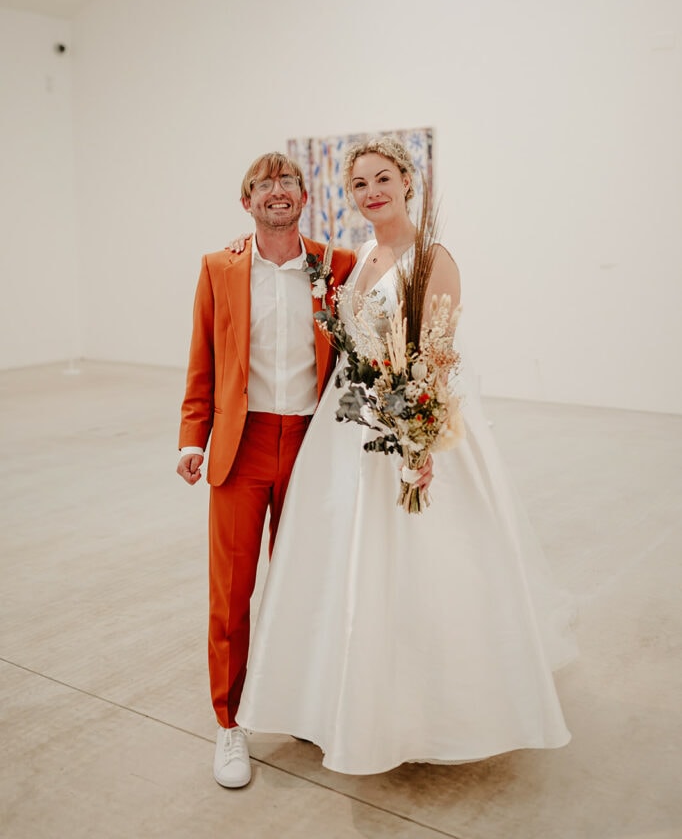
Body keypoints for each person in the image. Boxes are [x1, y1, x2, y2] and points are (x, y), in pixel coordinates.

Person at [236, 136, 577, 775]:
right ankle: (333, 697)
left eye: (382, 178)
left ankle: (430, 712)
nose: (372, 192)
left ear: (408, 180)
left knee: (423, 563)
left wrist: (418, 442)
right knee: (339, 558)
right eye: (359, 183)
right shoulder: (361, 253)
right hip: (350, 426)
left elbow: (438, 357)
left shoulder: (434, 257)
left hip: (411, 424)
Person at [176, 152, 356, 788]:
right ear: (246, 200)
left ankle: (301, 701)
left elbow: (353, 359)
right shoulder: (219, 268)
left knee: (305, 582)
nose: (277, 192)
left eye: (288, 182)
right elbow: (204, 359)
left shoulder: (337, 265)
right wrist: (192, 436)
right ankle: (230, 724)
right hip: (242, 444)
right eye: (264, 184)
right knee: (232, 592)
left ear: (303, 196)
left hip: (313, 444)